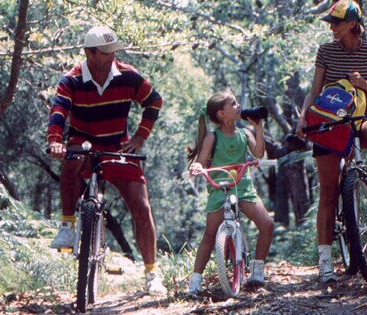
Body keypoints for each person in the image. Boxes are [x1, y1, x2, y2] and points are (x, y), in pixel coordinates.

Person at [47, 25, 167, 295]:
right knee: (71, 160)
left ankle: (152, 274)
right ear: (89, 52)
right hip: (84, 141)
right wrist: (55, 140)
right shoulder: (72, 79)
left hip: (118, 144)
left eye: (114, 51)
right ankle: (67, 225)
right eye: (106, 52)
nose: (112, 56)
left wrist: (139, 138)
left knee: (141, 206)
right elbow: (59, 110)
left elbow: (154, 101)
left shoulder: (128, 75)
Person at [297, 0, 367, 283]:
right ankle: (325, 261)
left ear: (352, 24)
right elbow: (314, 91)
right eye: (331, 23)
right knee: (328, 193)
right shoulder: (326, 51)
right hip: (329, 124)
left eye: (337, 23)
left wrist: (363, 85)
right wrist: (302, 118)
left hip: (359, 121)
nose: (332, 28)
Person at [186, 90, 274, 294]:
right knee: (209, 235)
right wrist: (197, 168)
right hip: (220, 189)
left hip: (243, 187)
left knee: (267, 224)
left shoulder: (244, 133)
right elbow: (200, 162)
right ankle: (195, 281)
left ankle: (258, 270)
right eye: (233, 104)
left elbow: (259, 153)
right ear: (221, 114)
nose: (238, 106)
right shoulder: (212, 137)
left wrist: (258, 128)